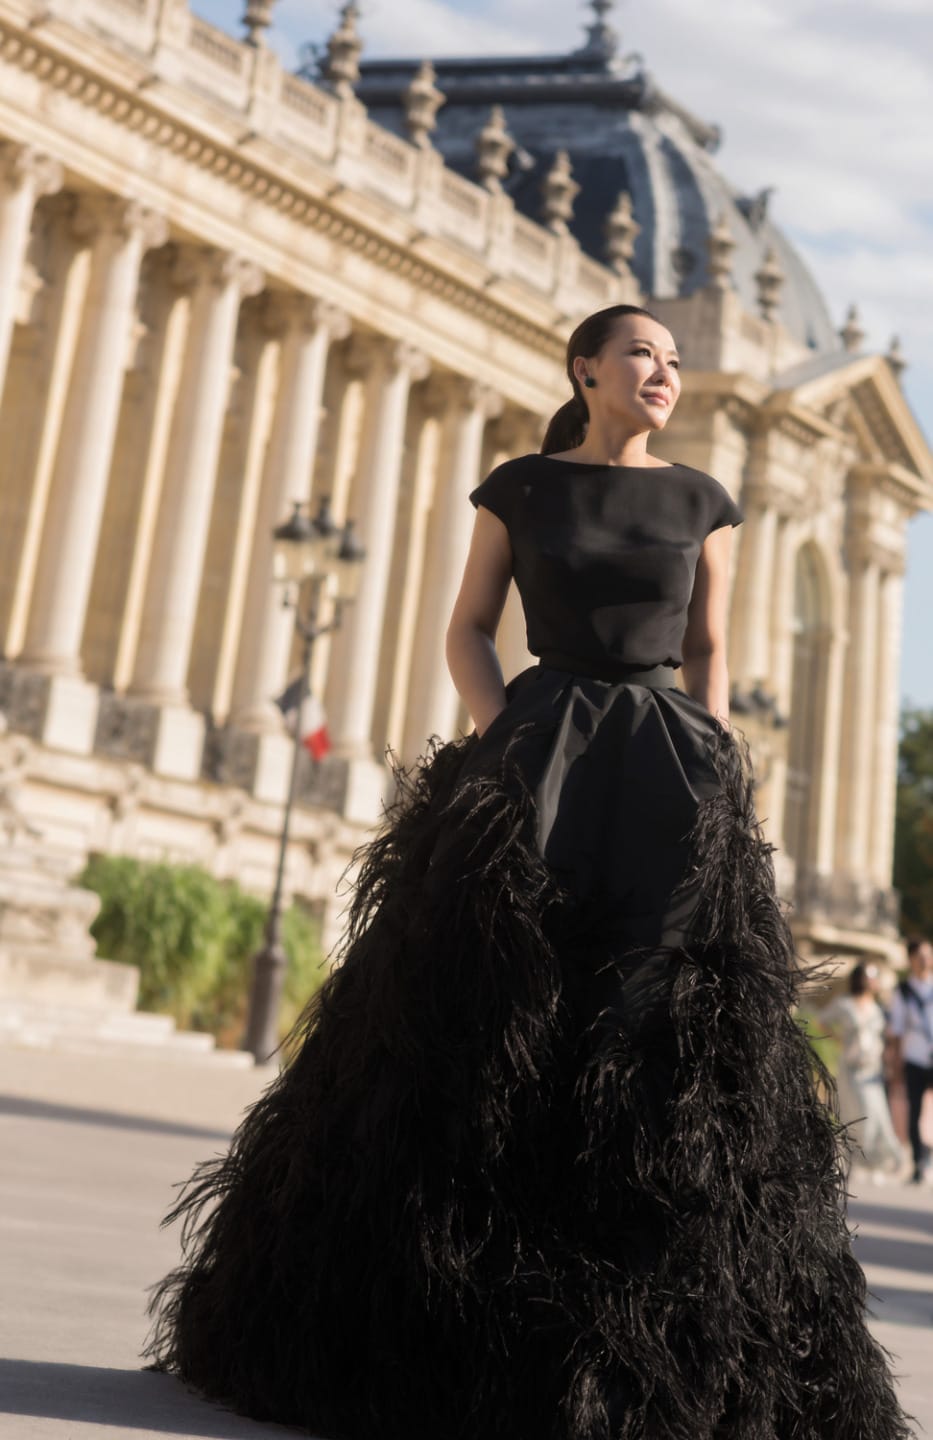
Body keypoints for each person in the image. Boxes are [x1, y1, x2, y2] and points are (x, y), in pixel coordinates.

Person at [147, 305, 910, 1439]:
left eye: (674, 361)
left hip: (670, 770)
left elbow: (710, 649)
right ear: (586, 371)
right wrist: (502, 735)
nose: (663, 373)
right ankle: (447, 1334)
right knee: (490, 1020)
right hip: (536, 755)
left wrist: (716, 762)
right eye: (641, 355)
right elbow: (468, 626)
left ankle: (650, 1350)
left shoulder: (704, 499)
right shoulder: (521, 486)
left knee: (653, 1036)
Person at [821, 964, 905, 1181]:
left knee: (879, 1115)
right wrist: (839, 1039)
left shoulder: (877, 1007)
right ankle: (858, 1162)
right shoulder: (845, 1004)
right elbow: (823, 1022)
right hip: (852, 1068)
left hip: (873, 1070)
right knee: (859, 1113)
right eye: (870, 977)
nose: (873, 981)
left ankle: (879, 1163)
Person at [888, 935, 933, 1184]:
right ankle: (919, 1162)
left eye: (929, 955)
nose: (925, 960)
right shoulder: (903, 992)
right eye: (920, 956)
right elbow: (896, 1032)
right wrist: (895, 1065)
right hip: (915, 1057)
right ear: (911, 960)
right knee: (915, 1110)